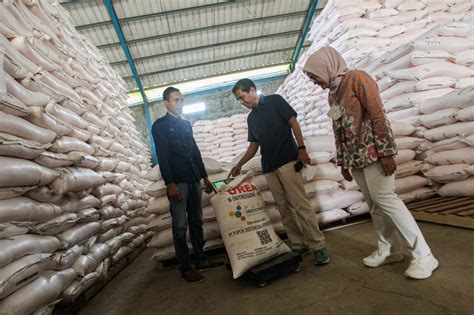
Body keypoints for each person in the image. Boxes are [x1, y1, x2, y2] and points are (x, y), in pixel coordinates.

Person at [303, 46, 439, 279]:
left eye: (314, 76)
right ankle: (389, 250)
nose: (314, 82)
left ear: (325, 67)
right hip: (356, 159)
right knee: (374, 204)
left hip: (375, 154)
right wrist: (344, 162)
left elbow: (378, 114)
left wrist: (386, 152)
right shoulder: (332, 94)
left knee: (387, 199)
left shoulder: (357, 78)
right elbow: (339, 131)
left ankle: (424, 255)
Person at [228, 79, 330, 266]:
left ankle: (318, 247)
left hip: (288, 161)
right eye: (239, 101)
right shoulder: (251, 118)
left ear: (252, 90)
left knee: (300, 205)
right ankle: (299, 244)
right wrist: (240, 164)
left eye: (242, 97)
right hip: (269, 167)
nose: (242, 102)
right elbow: (253, 146)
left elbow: (293, 123)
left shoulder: (275, 101)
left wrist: (301, 148)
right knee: (283, 208)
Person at [152, 87, 224, 283]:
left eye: (182, 100)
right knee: (180, 226)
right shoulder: (160, 126)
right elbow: (163, 156)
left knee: (196, 221)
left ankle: (200, 259)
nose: (180, 103)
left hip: (193, 180)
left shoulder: (185, 125)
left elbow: (195, 152)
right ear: (166, 103)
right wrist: (170, 183)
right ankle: (185, 268)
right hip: (178, 182)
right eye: (176, 100)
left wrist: (204, 177)